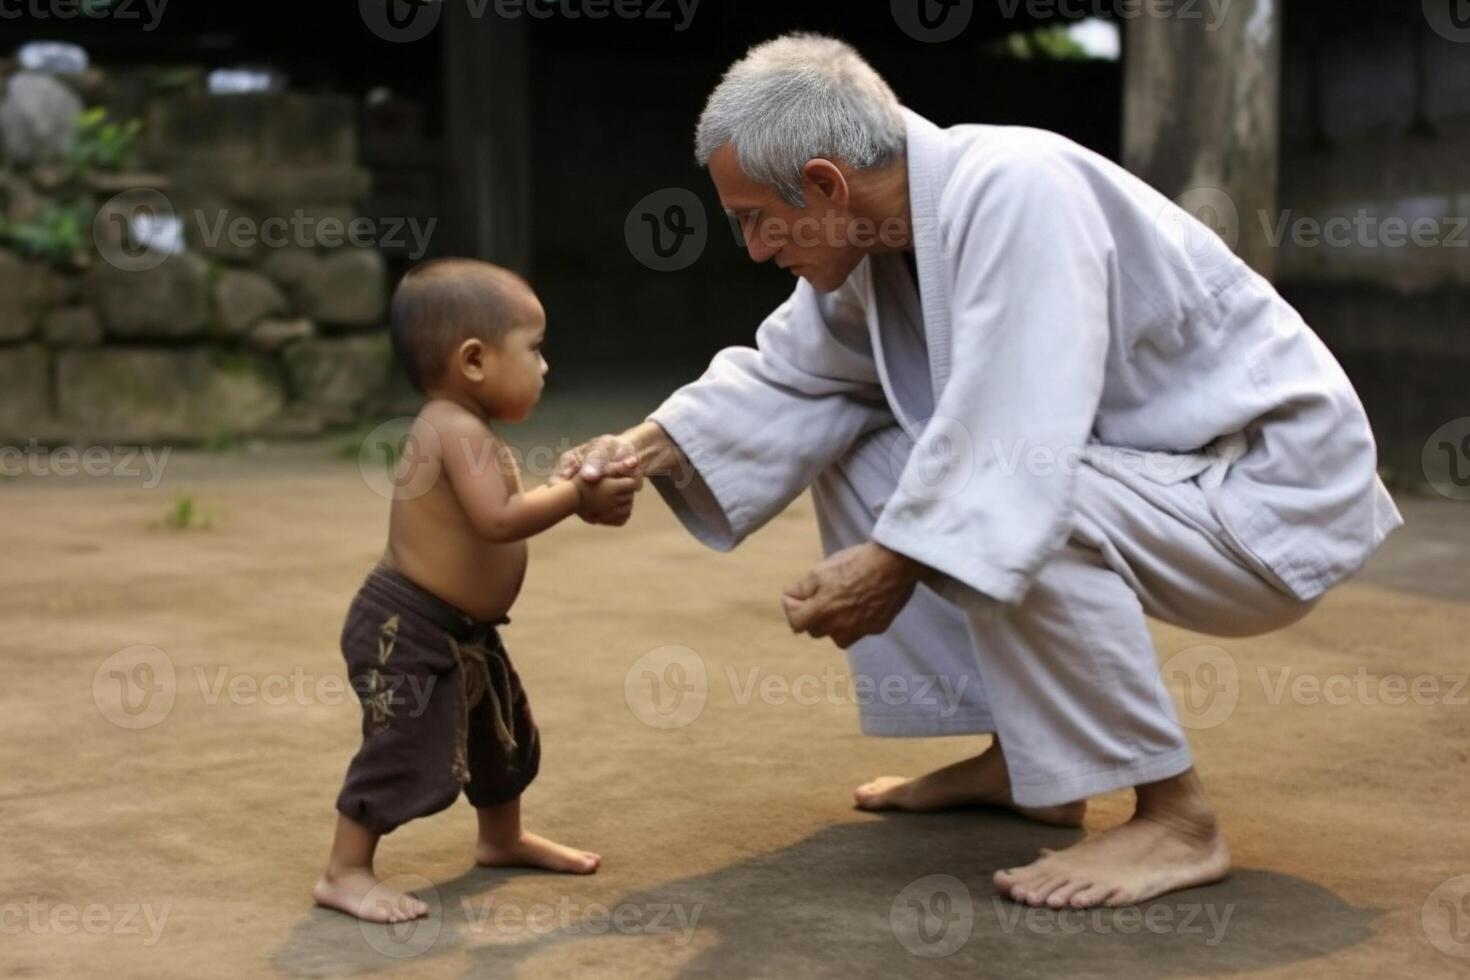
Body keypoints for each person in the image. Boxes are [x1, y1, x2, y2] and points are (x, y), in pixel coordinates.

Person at [564, 34, 1402, 909]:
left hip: (1265, 494)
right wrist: (634, 449)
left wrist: (895, 562)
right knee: (867, 443)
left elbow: (1021, 439)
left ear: (824, 184)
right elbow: (790, 377)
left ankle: (1175, 816)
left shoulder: (1015, 185)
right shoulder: (877, 246)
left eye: (755, 219)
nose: (754, 248)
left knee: (1025, 492)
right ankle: (1029, 761)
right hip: (1167, 485)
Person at [314, 258, 641, 923]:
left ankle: (500, 837)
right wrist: (575, 495)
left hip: (462, 629)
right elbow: (498, 521)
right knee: (401, 745)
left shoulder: (467, 430)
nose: (545, 366)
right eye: (534, 348)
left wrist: (568, 478)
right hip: (404, 629)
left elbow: (508, 504)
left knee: (502, 732)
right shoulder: (452, 429)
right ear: (473, 361)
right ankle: (345, 871)